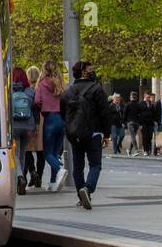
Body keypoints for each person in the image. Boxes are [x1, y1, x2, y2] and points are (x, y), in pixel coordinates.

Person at [62, 62, 110, 209]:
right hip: (93, 133)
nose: (93, 72)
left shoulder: (68, 92)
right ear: (83, 72)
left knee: (78, 166)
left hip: (75, 134)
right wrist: (107, 134)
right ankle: (88, 189)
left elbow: (63, 113)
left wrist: (71, 128)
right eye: (90, 70)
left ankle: (81, 196)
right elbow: (104, 113)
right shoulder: (97, 89)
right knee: (95, 164)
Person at [34, 60, 67, 192]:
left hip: (49, 119)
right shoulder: (61, 84)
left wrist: (43, 107)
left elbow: (37, 101)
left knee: (47, 153)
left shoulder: (42, 84)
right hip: (61, 119)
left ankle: (59, 170)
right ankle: (53, 182)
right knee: (54, 152)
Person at [9, 67, 38, 195]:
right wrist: (36, 126)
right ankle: (22, 178)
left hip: (14, 126)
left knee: (15, 154)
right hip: (28, 127)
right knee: (23, 154)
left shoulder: (9, 91)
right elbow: (36, 109)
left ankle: (19, 177)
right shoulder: (30, 92)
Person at [24, 66, 46, 188]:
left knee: (27, 150)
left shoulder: (26, 90)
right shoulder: (42, 88)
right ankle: (40, 176)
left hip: (29, 120)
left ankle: (32, 171)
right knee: (40, 150)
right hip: (42, 120)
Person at [139, 92, 157, 156]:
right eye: (147, 97)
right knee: (145, 137)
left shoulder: (151, 104)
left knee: (150, 137)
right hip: (143, 123)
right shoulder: (141, 104)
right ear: (144, 97)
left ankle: (149, 149)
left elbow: (154, 113)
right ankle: (145, 150)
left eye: (149, 97)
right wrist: (140, 124)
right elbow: (139, 114)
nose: (148, 98)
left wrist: (154, 121)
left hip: (150, 123)